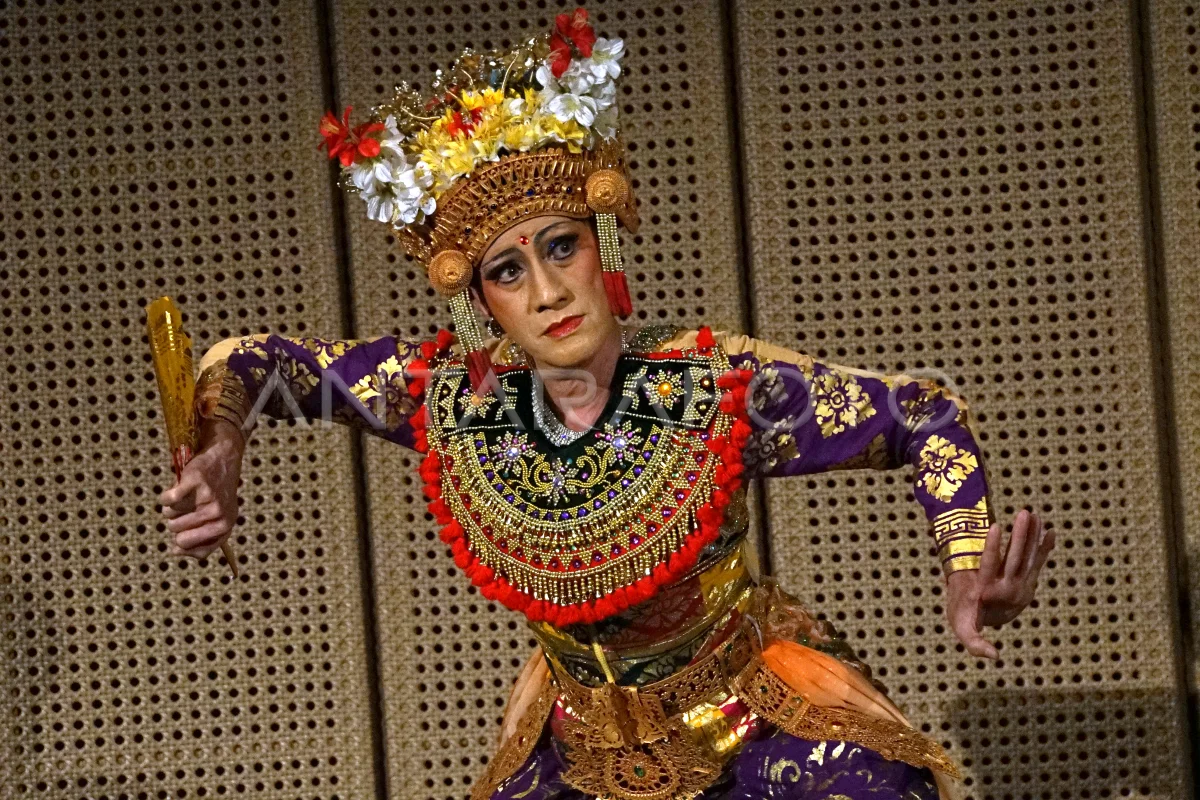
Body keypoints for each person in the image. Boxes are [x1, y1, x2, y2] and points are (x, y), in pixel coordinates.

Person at [158, 10, 1054, 800]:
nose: (549, 291)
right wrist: (223, 441)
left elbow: (922, 412)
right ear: (480, 302)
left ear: (603, 247)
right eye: (509, 271)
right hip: (580, 744)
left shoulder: (715, 387)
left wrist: (964, 557)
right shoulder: (452, 396)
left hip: (757, 721)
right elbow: (252, 361)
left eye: (562, 248)